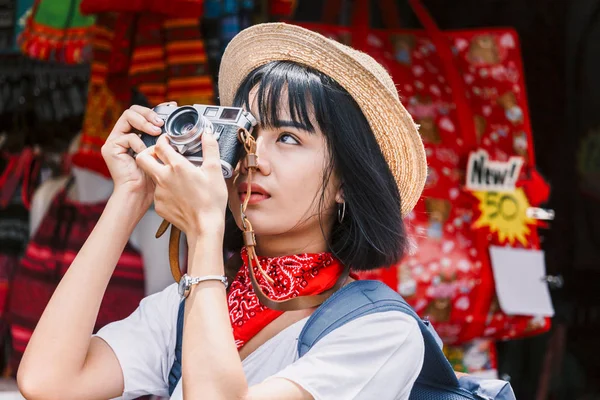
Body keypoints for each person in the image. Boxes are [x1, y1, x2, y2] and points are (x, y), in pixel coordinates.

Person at [16, 23, 429, 400]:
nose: (254, 158)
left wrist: (204, 230)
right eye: (246, 134)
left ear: (345, 182)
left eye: (287, 137)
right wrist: (129, 196)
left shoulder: (380, 331)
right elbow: (48, 382)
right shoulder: (187, 306)